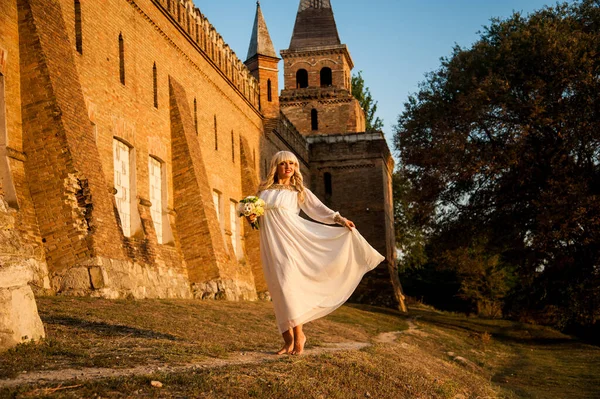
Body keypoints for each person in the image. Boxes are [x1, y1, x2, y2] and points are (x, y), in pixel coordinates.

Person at [248, 151, 385, 355]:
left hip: (292, 244)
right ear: (275, 166)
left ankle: (299, 335)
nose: (288, 167)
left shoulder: (298, 192)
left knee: (288, 287)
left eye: (292, 164)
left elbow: (319, 210)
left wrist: (340, 220)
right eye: (284, 163)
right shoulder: (263, 191)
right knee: (278, 290)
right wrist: (251, 219)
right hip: (270, 246)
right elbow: (260, 221)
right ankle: (287, 341)